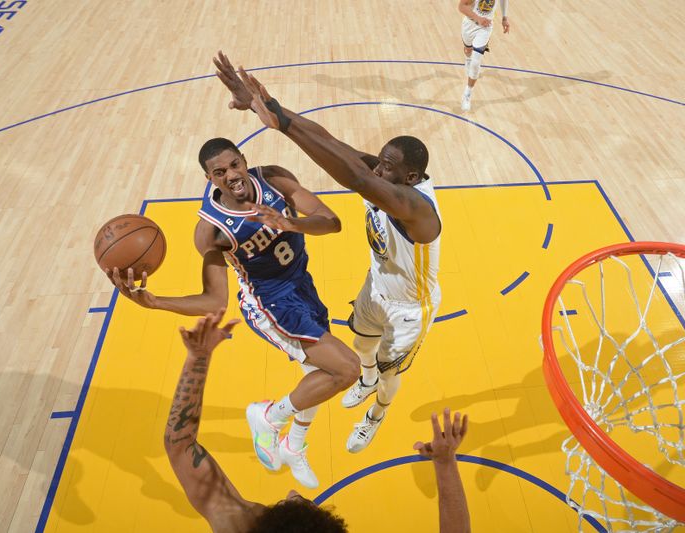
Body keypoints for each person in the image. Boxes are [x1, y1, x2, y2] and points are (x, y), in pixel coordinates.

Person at [214, 52, 442, 454]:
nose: (377, 170)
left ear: (410, 178)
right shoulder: (388, 175)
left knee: (390, 373)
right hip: (378, 285)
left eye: (386, 168)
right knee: (361, 346)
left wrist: (283, 127)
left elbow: (355, 176)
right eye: (380, 162)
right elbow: (335, 145)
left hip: (410, 305)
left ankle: (376, 414)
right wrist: (271, 109)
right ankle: (366, 380)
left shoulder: (416, 208)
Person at [105, 135, 360, 489]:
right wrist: (155, 301)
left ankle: (293, 445)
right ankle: (268, 417)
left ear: (244, 160)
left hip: (302, 285)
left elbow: (331, 221)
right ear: (210, 179)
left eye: (234, 165)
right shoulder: (211, 230)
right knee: (346, 368)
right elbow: (215, 301)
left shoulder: (274, 179)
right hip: (271, 303)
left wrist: (293, 223)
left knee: (317, 375)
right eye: (220, 172)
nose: (232, 175)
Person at [165, 311, 472, 533]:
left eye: (290, 504)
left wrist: (198, 358)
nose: (293, 493)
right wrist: (445, 464)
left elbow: (180, 445)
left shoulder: (240, 523)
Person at [459, 0, 511, 111]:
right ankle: (468, 59)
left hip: (485, 28)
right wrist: (478, 18)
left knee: (476, 62)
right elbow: (461, 7)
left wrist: (504, 18)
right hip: (470, 24)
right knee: (468, 51)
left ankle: (467, 93)